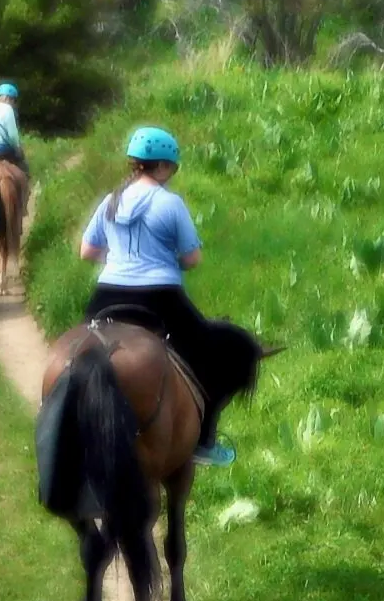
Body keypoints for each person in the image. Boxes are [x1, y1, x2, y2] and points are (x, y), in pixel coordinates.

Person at [80, 126, 259, 467]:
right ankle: (204, 440)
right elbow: (192, 259)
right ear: (162, 166)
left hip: (106, 295)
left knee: (78, 357)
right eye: (172, 168)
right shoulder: (170, 203)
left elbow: (88, 251)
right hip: (160, 297)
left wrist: (119, 260)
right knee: (213, 353)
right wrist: (160, 259)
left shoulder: (110, 200)